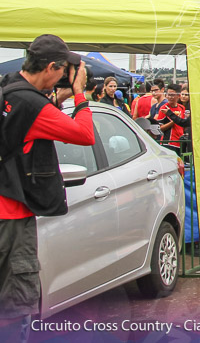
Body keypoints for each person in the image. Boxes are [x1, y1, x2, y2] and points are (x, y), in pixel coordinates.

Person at [0, 35, 94, 339]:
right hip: (11, 216)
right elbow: (84, 135)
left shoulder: (7, 89)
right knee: (14, 304)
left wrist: (58, 99)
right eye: (64, 69)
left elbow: (22, 123)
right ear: (52, 66)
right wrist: (79, 94)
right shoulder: (33, 105)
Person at [155, 83, 190, 155]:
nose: (170, 97)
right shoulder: (164, 108)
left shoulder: (181, 108)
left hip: (180, 142)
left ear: (178, 96)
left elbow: (183, 124)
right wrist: (174, 121)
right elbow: (160, 128)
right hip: (168, 143)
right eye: (168, 94)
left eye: (172, 95)